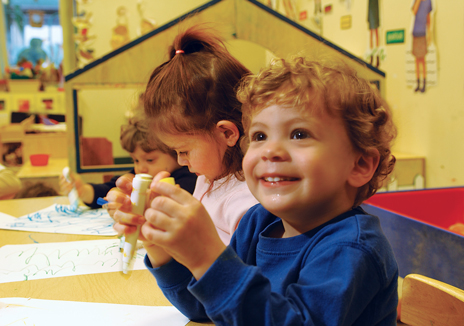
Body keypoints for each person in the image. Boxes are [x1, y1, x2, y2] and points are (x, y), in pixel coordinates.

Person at [138, 56, 399, 325]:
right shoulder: (257, 221)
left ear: (360, 164)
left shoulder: (350, 249)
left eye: (299, 134)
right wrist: (159, 248)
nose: (270, 151)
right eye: (260, 136)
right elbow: (208, 308)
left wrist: (208, 258)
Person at [110, 25, 259, 245]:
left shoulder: (247, 204)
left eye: (184, 151)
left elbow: (239, 275)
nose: (180, 160)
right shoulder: (207, 178)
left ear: (227, 133)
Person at [59, 111, 197, 210]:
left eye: (150, 160)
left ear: (175, 152)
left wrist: (128, 203)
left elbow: (164, 207)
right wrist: (83, 190)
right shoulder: (140, 175)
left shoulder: (189, 179)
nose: (141, 168)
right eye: (135, 160)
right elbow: (107, 190)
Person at [411, 0, 433, 93]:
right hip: (416, 32)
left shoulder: (428, 2)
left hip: (423, 33)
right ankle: (418, 83)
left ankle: (424, 83)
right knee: (416, 59)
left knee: (422, 59)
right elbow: (414, 11)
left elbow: (428, 18)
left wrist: (429, 33)